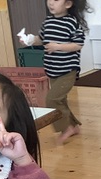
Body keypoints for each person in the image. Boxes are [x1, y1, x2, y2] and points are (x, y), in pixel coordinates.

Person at [21, 0, 91, 144]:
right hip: (53, 69)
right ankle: (73, 126)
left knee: (52, 100)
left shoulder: (71, 22)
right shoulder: (48, 22)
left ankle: (66, 128)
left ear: (68, 4)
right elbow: (42, 39)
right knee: (61, 100)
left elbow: (78, 44)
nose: (51, 3)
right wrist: (30, 40)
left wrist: (58, 47)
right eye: (50, 0)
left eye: (56, 0)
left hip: (68, 70)